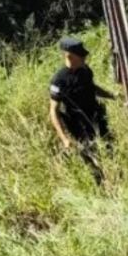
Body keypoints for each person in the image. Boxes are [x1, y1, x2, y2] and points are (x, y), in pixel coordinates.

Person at [49, 37, 115, 179]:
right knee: (91, 158)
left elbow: (92, 88)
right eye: (81, 55)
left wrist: (111, 95)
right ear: (69, 56)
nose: (85, 57)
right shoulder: (59, 81)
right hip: (78, 125)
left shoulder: (85, 70)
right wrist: (64, 139)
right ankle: (101, 184)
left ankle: (115, 176)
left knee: (109, 149)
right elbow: (53, 112)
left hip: (96, 118)